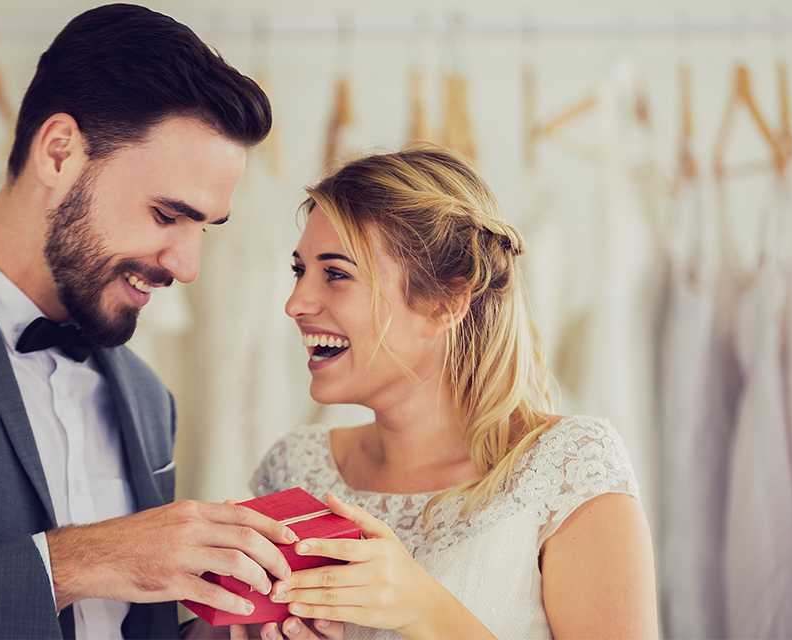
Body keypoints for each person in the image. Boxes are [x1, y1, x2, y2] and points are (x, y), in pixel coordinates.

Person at [0, 5, 326, 638]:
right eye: (167, 216)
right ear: (59, 154)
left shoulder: (147, 397)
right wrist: (75, 563)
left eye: (204, 229)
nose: (187, 266)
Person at [245, 145, 660, 639]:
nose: (296, 303)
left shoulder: (569, 470)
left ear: (444, 302)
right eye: (299, 271)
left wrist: (424, 610)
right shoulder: (294, 468)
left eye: (336, 273)